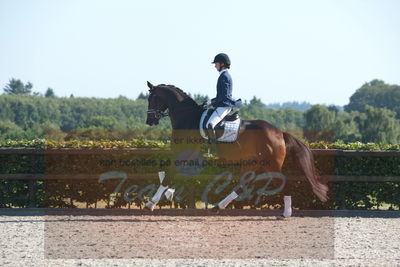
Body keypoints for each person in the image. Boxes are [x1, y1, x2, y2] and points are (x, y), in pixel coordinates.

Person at [206, 53, 238, 156]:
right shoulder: (223, 75)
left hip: (224, 106)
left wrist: (212, 102)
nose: (215, 65)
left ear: (222, 64)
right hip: (222, 104)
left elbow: (223, 96)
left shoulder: (224, 76)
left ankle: (215, 151)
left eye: (216, 63)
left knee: (210, 124)